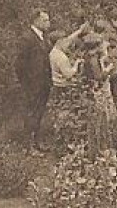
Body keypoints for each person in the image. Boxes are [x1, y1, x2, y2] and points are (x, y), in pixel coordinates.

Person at [46, 20, 92, 148]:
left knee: (59, 113)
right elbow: (69, 74)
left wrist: (79, 31)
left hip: (56, 85)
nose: (68, 43)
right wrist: (77, 63)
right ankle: (63, 141)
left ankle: (60, 138)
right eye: (64, 41)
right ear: (59, 42)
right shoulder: (61, 57)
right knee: (64, 113)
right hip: (63, 86)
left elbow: (69, 39)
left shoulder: (53, 52)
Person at [15, 10, 54, 146]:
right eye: (45, 20)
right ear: (36, 21)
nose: (48, 23)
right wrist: (27, 81)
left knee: (39, 112)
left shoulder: (44, 37)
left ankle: (37, 142)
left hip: (44, 83)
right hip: (32, 84)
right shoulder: (27, 38)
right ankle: (28, 145)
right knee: (30, 112)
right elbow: (20, 64)